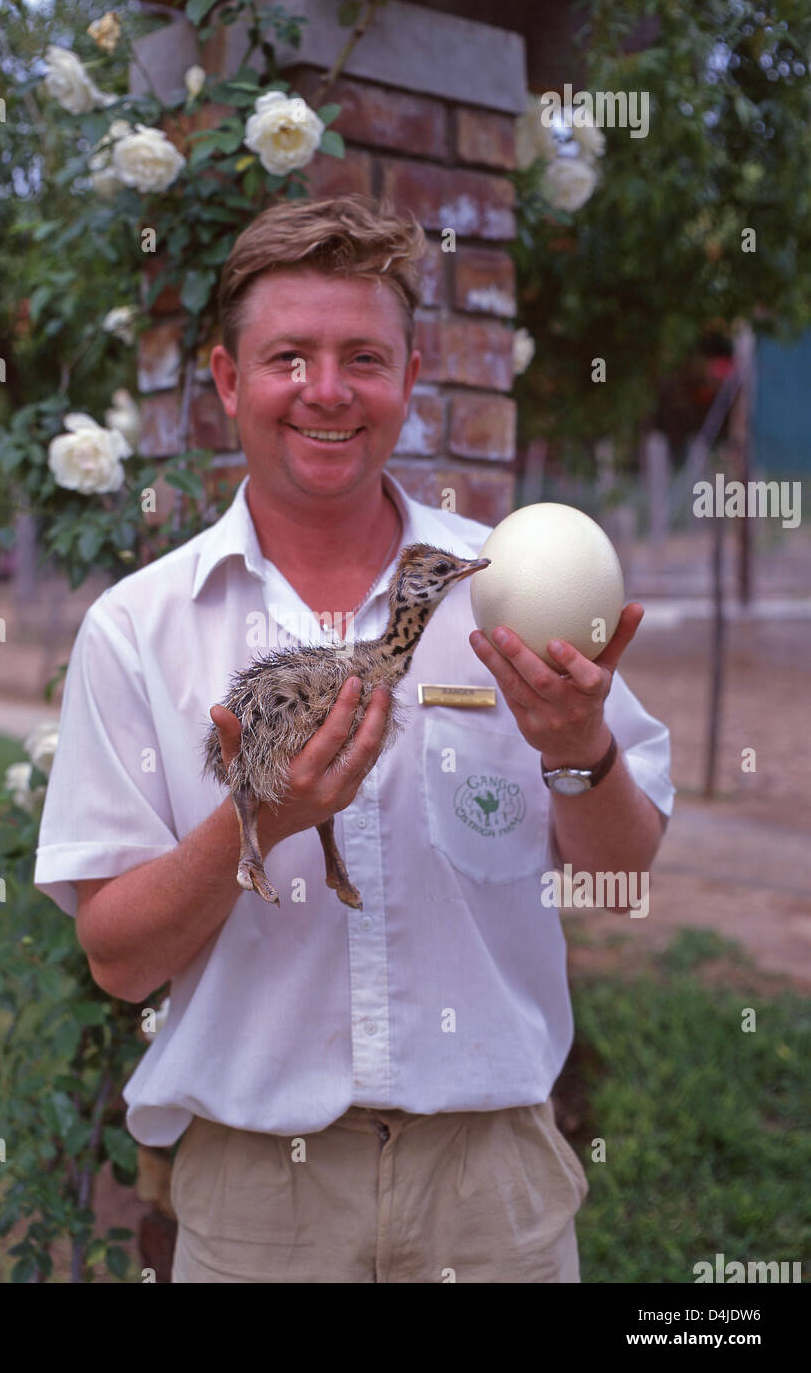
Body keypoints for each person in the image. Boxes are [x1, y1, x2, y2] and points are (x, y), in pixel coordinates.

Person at [33, 194, 674, 1284]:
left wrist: (579, 748)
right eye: (289, 356)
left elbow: (618, 872)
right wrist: (262, 819)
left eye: (363, 358)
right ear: (230, 382)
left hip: (493, 1192)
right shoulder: (139, 630)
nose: (326, 391)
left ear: (409, 379)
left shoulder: (507, 592)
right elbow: (119, 956)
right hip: (256, 1206)